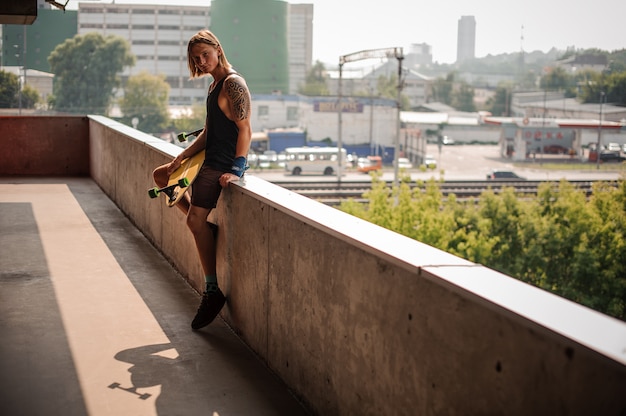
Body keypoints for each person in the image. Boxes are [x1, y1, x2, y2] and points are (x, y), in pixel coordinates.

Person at [152, 30, 252, 330]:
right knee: (161, 176)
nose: (201, 61)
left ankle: (212, 291)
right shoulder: (214, 86)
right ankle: (207, 228)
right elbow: (209, 132)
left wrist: (237, 168)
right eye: (196, 58)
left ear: (218, 50)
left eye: (205, 55)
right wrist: (183, 155)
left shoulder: (233, 84)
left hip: (220, 163)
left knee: (192, 222)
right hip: (205, 158)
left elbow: (245, 129)